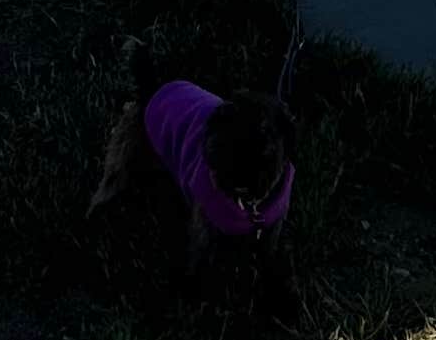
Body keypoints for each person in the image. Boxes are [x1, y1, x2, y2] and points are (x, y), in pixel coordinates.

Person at [89, 52, 296, 266]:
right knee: (115, 188)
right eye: (225, 166)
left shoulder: (279, 191)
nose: (242, 178)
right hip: (161, 106)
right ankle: (94, 218)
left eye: (257, 163)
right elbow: (200, 246)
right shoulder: (209, 194)